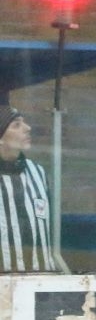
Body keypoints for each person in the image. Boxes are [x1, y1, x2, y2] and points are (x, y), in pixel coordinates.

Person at [0, 105, 68, 272]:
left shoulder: (37, 172)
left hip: (40, 282)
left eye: (24, 123)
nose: (27, 128)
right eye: (16, 125)